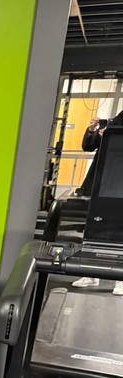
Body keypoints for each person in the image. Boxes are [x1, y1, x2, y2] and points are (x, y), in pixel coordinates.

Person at [73, 111, 123, 295]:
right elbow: (88, 146)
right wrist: (93, 130)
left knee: (120, 234)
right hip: (101, 184)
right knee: (93, 231)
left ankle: (120, 279)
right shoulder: (112, 123)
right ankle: (90, 274)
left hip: (118, 186)